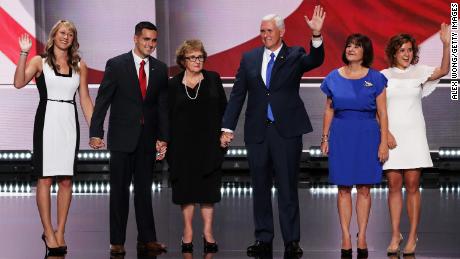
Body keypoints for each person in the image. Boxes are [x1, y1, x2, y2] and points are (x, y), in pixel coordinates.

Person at [220, 6, 325, 256]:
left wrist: (317, 36)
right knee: (260, 186)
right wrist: (227, 127)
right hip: (258, 131)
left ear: (282, 31)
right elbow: (237, 95)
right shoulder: (250, 58)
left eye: (269, 30)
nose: (265, 35)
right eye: (262, 31)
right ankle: (263, 238)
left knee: (288, 186)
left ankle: (292, 241)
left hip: (286, 131)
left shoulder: (295, 54)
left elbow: (315, 60)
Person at [13, 20, 94, 256]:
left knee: (66, 181)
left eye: (70, 34)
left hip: (69, 122)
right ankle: (48, 231)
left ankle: (61, 232)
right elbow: (18, 83)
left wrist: (95, 130)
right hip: (47, 122)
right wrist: (23, 53)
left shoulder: (80, 64)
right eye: (62, 32)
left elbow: (86, 99)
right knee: (45, 179)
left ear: (74, 38)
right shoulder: (39, 61)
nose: (65, 37)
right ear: (53, 35)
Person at [89, 21, 168, 256]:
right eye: (146, 39)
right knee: (119, 191)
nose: (150, 45)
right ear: (135, 38)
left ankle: (148, 239)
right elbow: (103, 101)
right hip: (122, 138)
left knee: (144, 190)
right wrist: (96, 132)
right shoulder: (116, 65)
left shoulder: (160, 68)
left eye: (154, 41)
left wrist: (163, 137)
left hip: (147, 139)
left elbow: (162, 107)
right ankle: (117, 241)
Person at [382, 24, 450, 257]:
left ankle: (412, 236)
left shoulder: (420, 72)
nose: (406, 53)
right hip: (391, 137)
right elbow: (377, 110)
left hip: (414, 136)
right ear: (393, 52)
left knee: (412, 185)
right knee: (393, 185)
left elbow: (444, 69)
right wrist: (385, 134)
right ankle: (395, 234)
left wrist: (446, 43)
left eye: (409, 49)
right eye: (402, 50)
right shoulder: (383, 76)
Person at [320, 34, 389, 258]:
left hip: (368, 135)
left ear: (364, 52)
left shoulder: (376, 78)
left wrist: (383, 143)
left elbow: (383, 113)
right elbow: (329, 109)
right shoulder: (333, 77)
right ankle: (346, 236)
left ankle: (362, 236)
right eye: (348, 45)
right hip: (341, 134)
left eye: (356, 46)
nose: (351, 49)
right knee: (342, 189)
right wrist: (325, 137)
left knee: (364, 189)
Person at [167, 39, 227, 254]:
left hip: (210, 144)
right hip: (181, 146)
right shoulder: (173, 84)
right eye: (192, 57)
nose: (197, 60)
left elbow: (224, 110)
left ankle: (208, 232)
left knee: (208, 190)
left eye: (200, 57)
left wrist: (226, 132)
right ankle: (188, 231)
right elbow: (166, 115)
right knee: (186, 190)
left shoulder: (213, 79)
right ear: (183, 60)